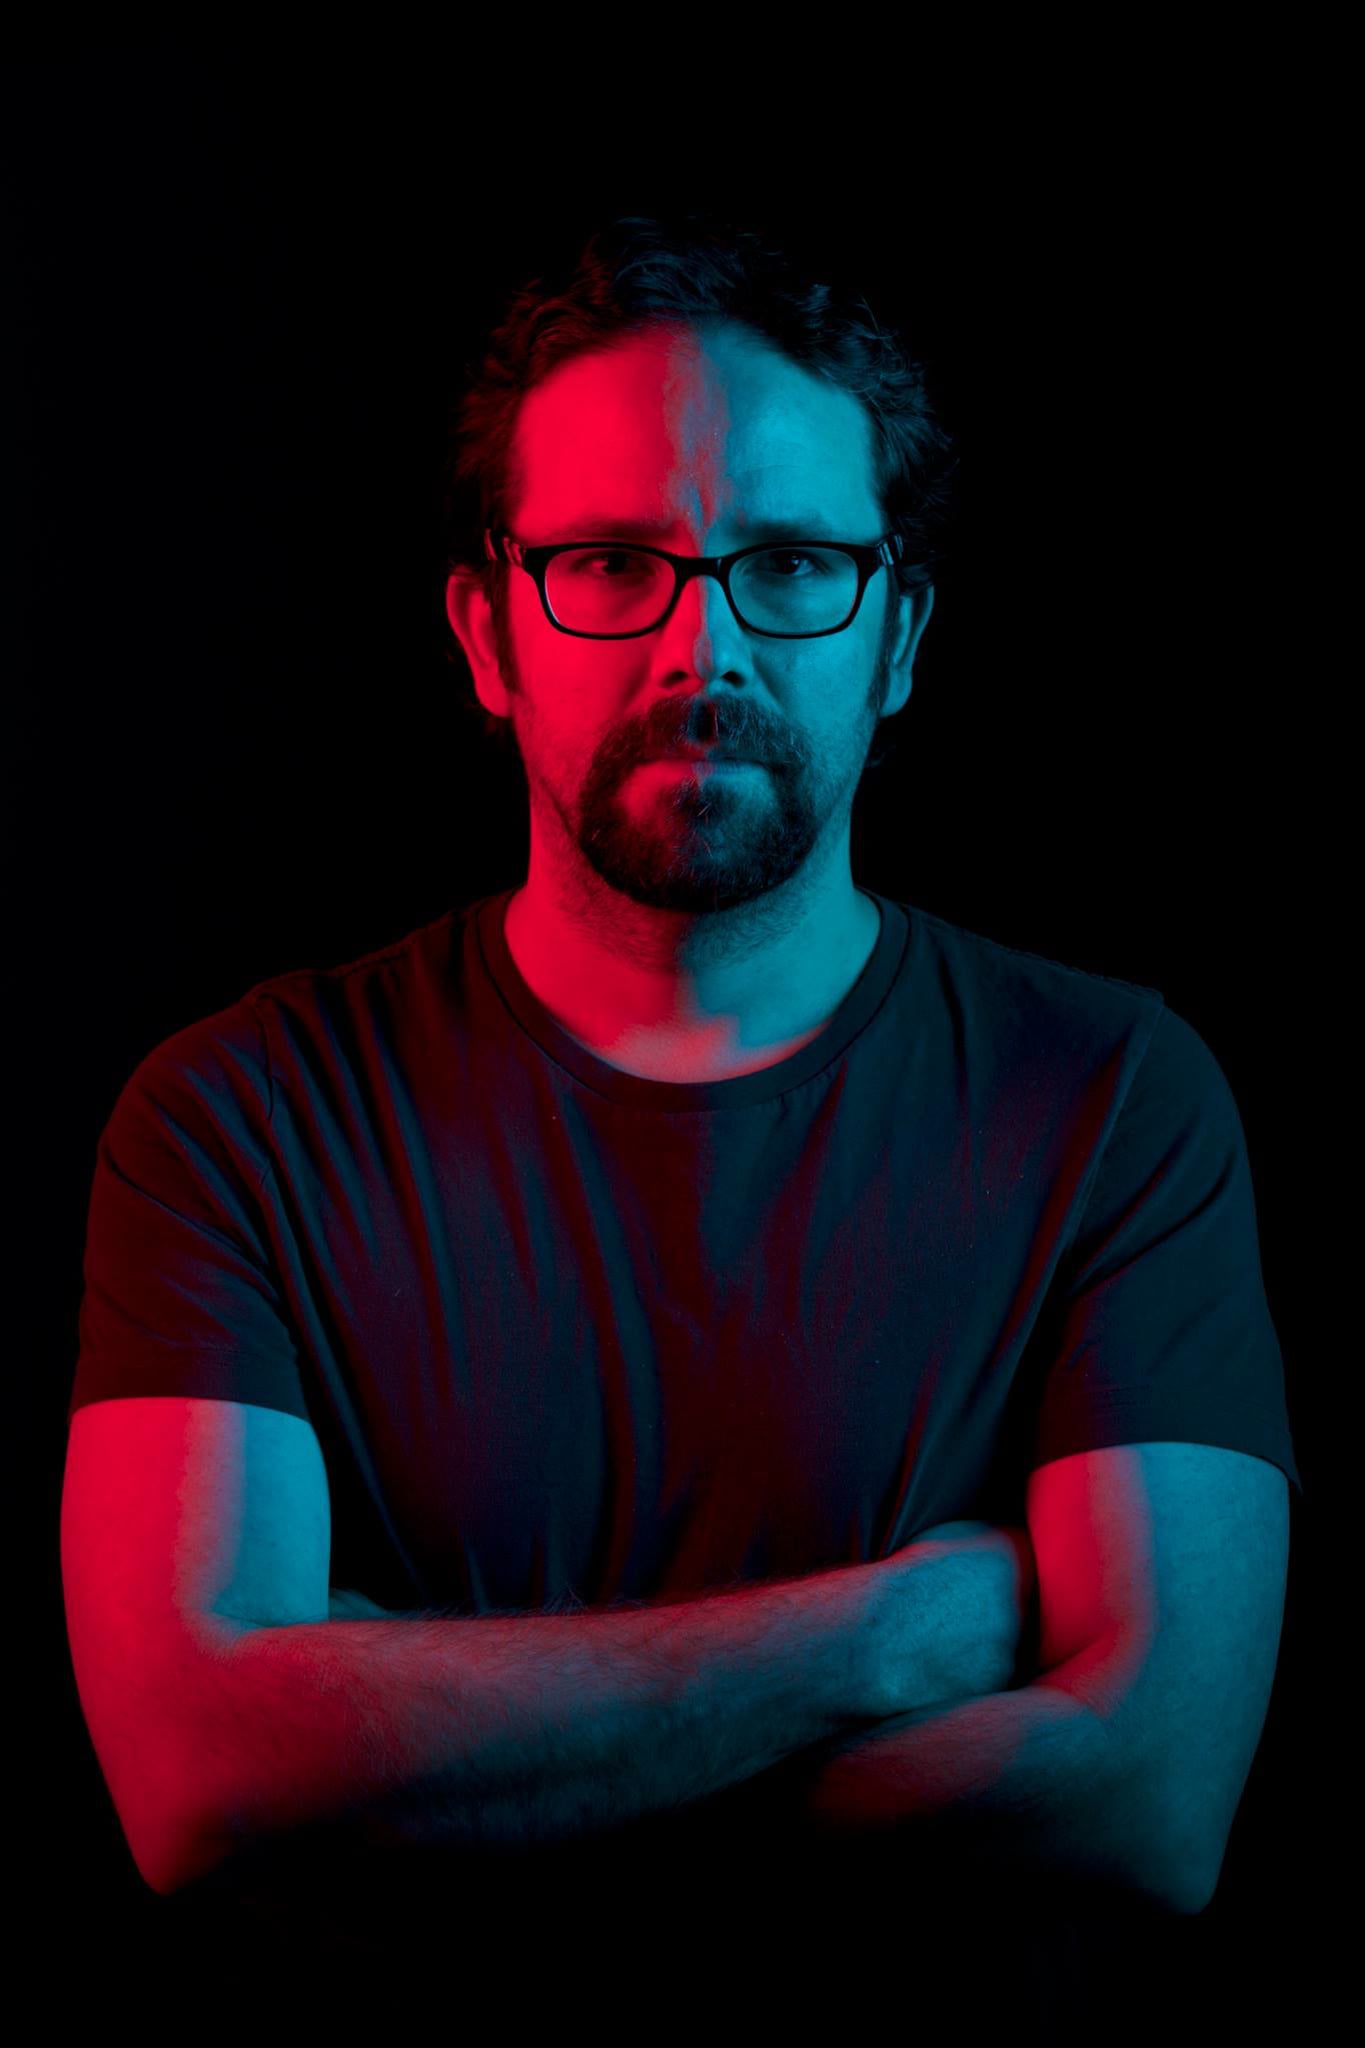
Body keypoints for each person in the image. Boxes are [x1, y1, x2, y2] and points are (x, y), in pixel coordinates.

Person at [64, 213, 1301, 2003]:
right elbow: (199, 1779)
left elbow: (1148, 1805)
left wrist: (415, 1739)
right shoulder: (236, 1120)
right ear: (487, 633)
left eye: (789, 563)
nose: (700, 645)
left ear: (896, 638)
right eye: (609, 563)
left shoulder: (1112, 1102)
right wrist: (881, 1638)